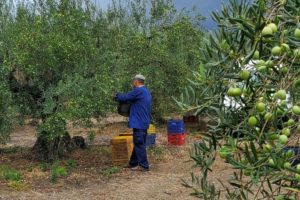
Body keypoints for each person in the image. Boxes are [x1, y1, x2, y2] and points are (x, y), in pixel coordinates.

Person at [115, 74, 152, 171]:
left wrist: (117, 96)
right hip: (144, 122)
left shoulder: (138, 91)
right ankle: (133, 163)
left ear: (137, 81)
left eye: (133, 81)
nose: (132, 83)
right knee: (138, 142)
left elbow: (126, 97)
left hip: (139, 122)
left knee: (139, 143)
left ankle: (144, 166)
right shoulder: (146, 91)